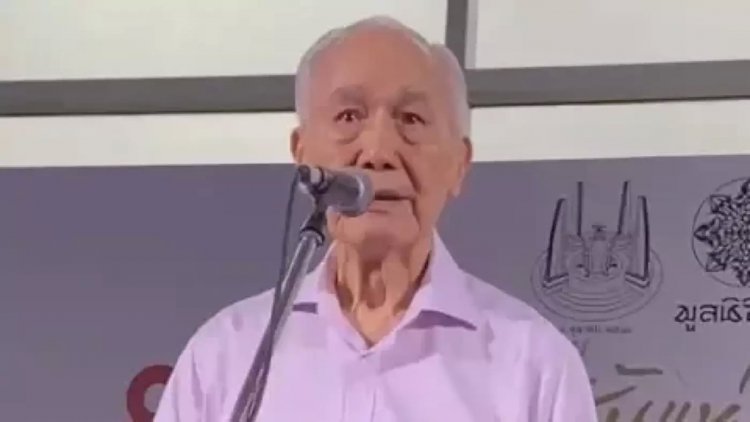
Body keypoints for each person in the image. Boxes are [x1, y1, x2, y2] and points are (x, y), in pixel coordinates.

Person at [155, 16, 597, 422]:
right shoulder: (227, 356)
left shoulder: (534, 365)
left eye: (412, 119)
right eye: (349, 116)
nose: (378, 151)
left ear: (459, 164)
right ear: (302, 154)